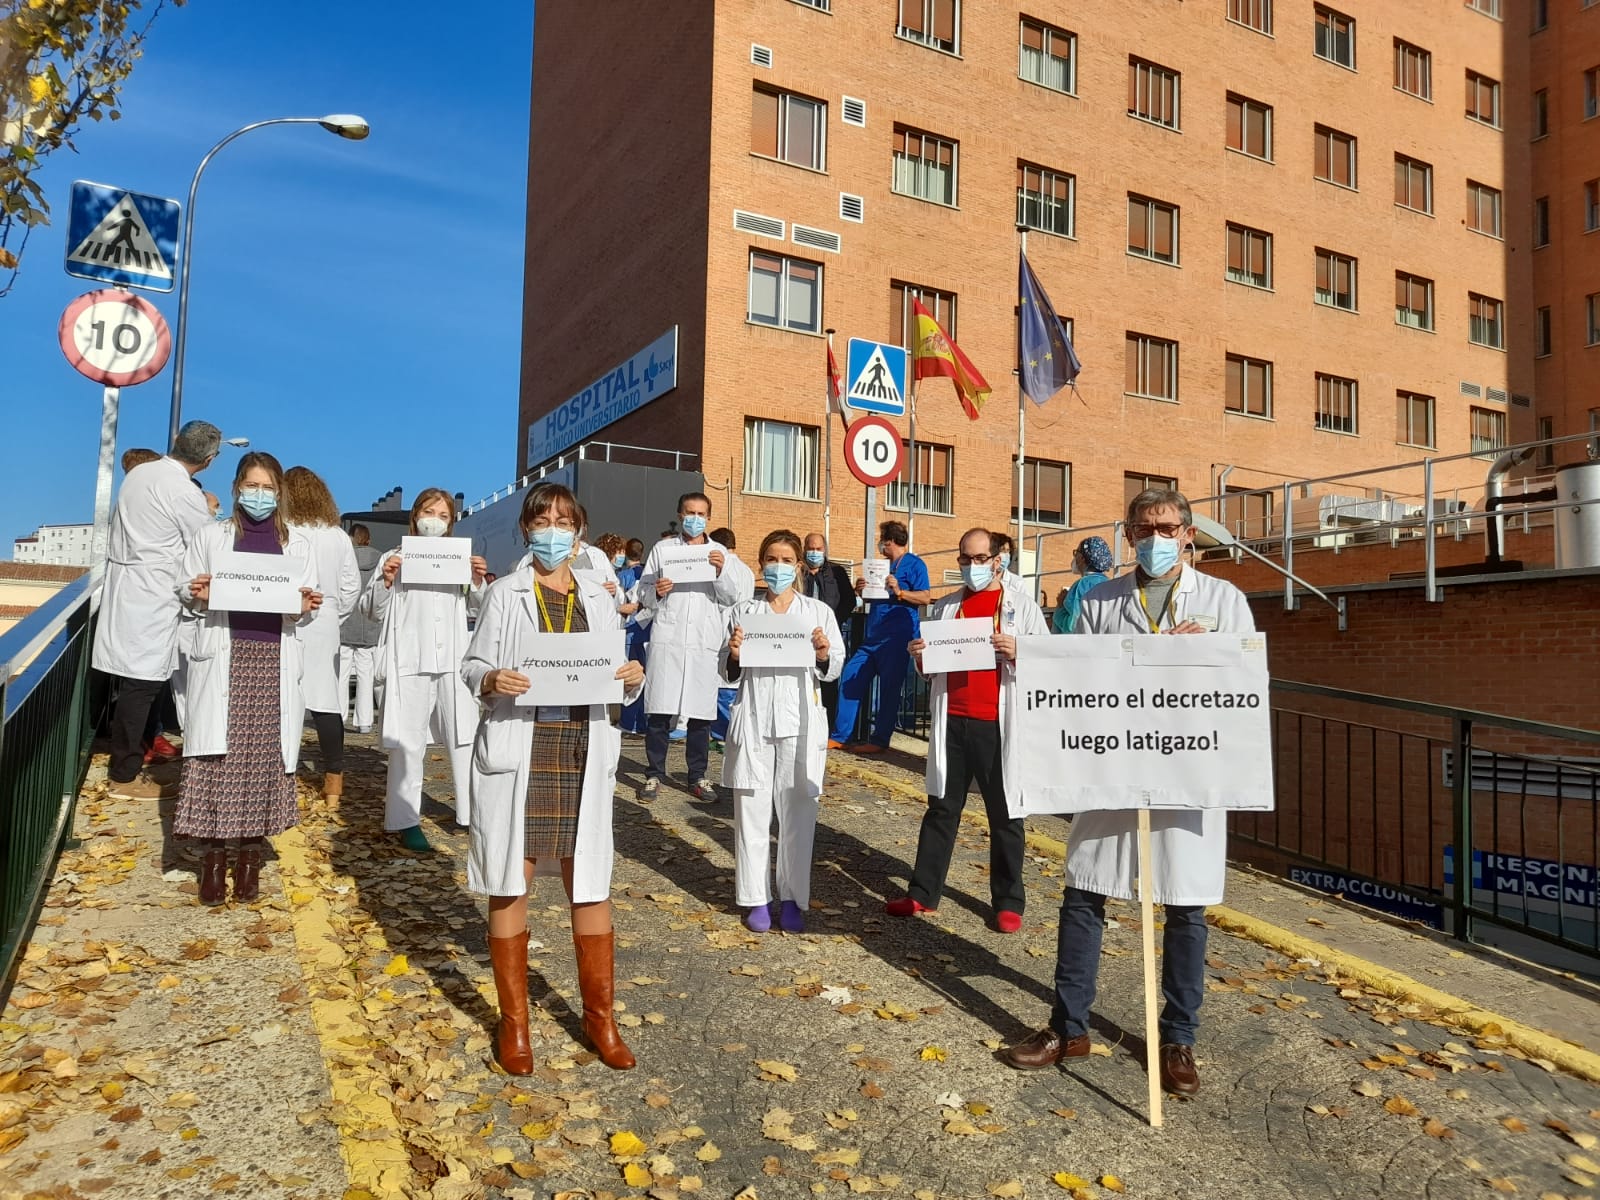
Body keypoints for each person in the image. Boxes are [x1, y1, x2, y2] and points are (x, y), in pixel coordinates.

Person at [1000, 488, 1257, 1098]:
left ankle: (1178, 1038)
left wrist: (1201, 656)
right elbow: (1074, 672)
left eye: (1165, 527)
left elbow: (1244, 683)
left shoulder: (1225, 601)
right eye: (1142, 528)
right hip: (1113, 768)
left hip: (1188, 775)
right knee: (1084, 892)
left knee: (1185, 907)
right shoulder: (1102, 599)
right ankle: (1070, 1027)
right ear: (1127, 534)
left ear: (1188, 534)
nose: (1154, 538)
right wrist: (1025, 655)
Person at [461, 483, 645, 1073]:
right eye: (542, 519)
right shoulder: (503, 593)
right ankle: (514, 1026)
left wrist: (632, 677)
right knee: (511, 878)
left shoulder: (598, 594)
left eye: (563, 519)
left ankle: (601, 1019)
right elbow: (472, 664)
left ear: (579, 530)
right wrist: (492, 680)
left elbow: (612, 675)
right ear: (525, 529)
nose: (552, 529)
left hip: (582, 745)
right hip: (525, 742)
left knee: (589, 880)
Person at [174, 452, 322, 905]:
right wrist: (195, 593)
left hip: (272, 657)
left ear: (279, 493)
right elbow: (184, 592)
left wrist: (305, 607)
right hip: (226, 654)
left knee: (261, 762)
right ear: (237, 486)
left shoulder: (298, 544)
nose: (258, 495)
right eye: (251, 486)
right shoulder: (211, 536)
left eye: (267, 488)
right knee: (219, 765)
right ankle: (214, 863)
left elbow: (306, 610)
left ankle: (251, 863)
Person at [886, 529, 1049, 931]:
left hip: (997, 724)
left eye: (979, 558)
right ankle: (923, 893)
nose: (971, 566)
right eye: (965, 558)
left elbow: (1048, 663)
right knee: (942, 809)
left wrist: (1020, 651)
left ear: (997, 559)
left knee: (1006, 814)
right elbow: (932, 672)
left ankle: (1009, 901)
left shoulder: (1021, 607)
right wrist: (921, 658)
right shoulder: (945, 608)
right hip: (953, 720)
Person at [719, 530, 844, 933]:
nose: (778, 567)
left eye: (786, 560)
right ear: (760, 564)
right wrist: (734, 654)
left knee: (797, 817)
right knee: (751, 814)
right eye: (771, 559)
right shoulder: (743, 612)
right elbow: (726, 671)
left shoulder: (817, 614)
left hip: (799, 722)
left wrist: (824, 654)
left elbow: (834, 665)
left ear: (798, 567)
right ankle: (756, 899)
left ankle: (792, 898)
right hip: (754, 720)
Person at [93, 421, 219, 800]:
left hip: (125, 583)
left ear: (177, 440)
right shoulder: (183, 491)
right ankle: (124, 776)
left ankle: (135, 758)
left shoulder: (139, 474)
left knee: (133, 680)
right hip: (155, 590)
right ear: (210, 460)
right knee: (142, 683)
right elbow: (204, 543)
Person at [367, 488, 488, 851]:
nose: (434, 519)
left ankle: (472, 815)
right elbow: (369, 608)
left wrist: (479, 580)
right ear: (416, 515)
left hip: (453, 659)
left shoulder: (459, 559)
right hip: (411, 660)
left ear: (451, 523)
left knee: (464, 734)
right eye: (428, 511)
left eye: (443, 515)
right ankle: (406, 819)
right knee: (408, 742)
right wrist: (386, 581)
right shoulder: (395, 557)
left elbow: (482, 606)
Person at [635, 493, 751, 800]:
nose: (695, 518)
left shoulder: (719, 553)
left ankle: (697, 776)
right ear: (679, 513)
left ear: (708, 518)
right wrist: (656, 592)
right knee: (660, 711)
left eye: (701, 513)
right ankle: (654, 774)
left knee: (701, 714)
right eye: (689, 512)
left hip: (703, 641)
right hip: (669, 640)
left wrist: (720, 573)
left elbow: (731, 598)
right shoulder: (663, 549)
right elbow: (642, 592)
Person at [282, 467, 362, 800]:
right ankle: (333, 779)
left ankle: (282, 772)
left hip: (286, 619)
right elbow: (351, 587)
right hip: (325, 619)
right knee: (325, 701)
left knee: (283, 697)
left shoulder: (282, 531)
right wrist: (332, 613)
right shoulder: (337, 535)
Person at [830, 520, 930, 753]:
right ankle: (840, 735)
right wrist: (862, 590)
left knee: (889, 689)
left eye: (882, 539)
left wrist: (901, 591)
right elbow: (871, 599)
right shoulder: (881, 566)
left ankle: (879, 740)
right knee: (850, 677)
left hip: (897, 638)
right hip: (872, 636)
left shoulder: (915, 564)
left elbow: (925, 597)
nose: (879, 544)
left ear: (890, 541)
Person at [801, 532, 856, 728]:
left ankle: (827, 726)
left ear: (825, 550)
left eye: (818, 549)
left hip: (829, 635)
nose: (814, 552)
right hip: (801, 635)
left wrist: (833, 621)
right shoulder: (797, 571)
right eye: (811, 548)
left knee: (828, 678)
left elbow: (849, 600)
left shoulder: (837, 572)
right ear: (804, 549)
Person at [707, 526, 753, 750]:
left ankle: (723, 734)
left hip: (721, 632)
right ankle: (726, 734)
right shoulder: (747, 570)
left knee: (721, 689)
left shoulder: (722, 567)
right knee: (732, 689)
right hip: (741, 631)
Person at [339, 524, 382, 733]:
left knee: (341, 674)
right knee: (367, 675)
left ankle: (338, 717)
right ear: (368, 538)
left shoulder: (343, 558)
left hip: (345, 623)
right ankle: (364, 722)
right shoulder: (380, 559)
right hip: (370, 623)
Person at [617, 537, 649, 738]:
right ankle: (643, 723)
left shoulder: (623, 576)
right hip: (647, 632)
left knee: (628, 679)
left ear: (626, 552)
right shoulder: (648, 574)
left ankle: (628, 723)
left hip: (628, 633)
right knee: (643, 678)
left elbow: (617, 601)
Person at [1052, 535, 1116, 634]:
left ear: (1082, 558)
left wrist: (1060, 608)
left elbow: (1073, 627)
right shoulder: (1110, 584)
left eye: (1076, 553)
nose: (1074, 557)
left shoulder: (1082, 585)